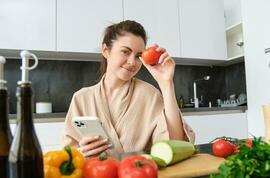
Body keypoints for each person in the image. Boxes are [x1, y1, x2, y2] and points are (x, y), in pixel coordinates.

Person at [62, 20, 195, 158]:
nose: (132, 62)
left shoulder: (149, 94)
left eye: (138, 56)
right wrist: (80, 152)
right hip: (97, 176)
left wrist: (166, 84)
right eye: (125, 51)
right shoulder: (81, 98)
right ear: (106, 51)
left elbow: (175, 143)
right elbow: (67, 155)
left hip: (138, 175)